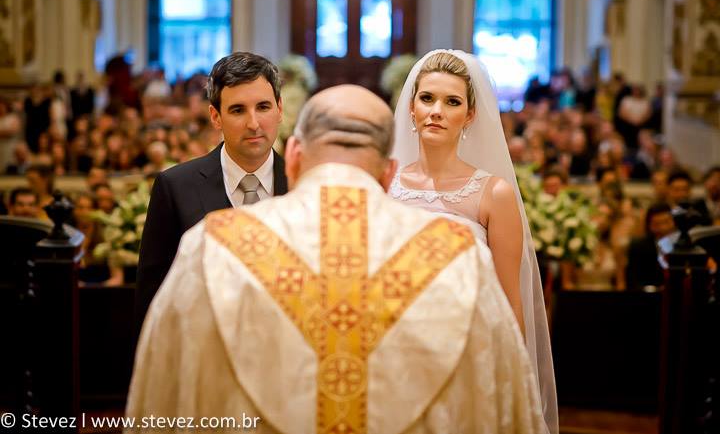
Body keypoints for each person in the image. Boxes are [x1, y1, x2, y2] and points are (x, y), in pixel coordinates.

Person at [128, 85, 544, 433]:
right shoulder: (458, 258)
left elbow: (161, 393)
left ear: (293, 156)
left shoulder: (213, 247)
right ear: (388, 173)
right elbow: (502, 401)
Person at [390, 49, 557, 434]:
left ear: (469, 115)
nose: (436, 111)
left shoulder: (493, 193)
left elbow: (510, 300)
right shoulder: (387, 184)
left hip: (467, 352)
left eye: (452, 102)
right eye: (427, 98)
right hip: (397, 349)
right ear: (412, 108)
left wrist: (513, 385)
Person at [135, 52, 289, 339]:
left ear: (279, 109)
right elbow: (153, 297)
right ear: (215, 117)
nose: (254, 123)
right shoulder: (175, 187)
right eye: (238, 110)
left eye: (263, 107)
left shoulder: (302, 185)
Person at [626, 202, 676, 289]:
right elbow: (633, 279)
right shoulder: (638, 247)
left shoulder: (683, 245)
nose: (663, 228)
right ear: (649, 225)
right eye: (657, 224)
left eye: (666, 222)